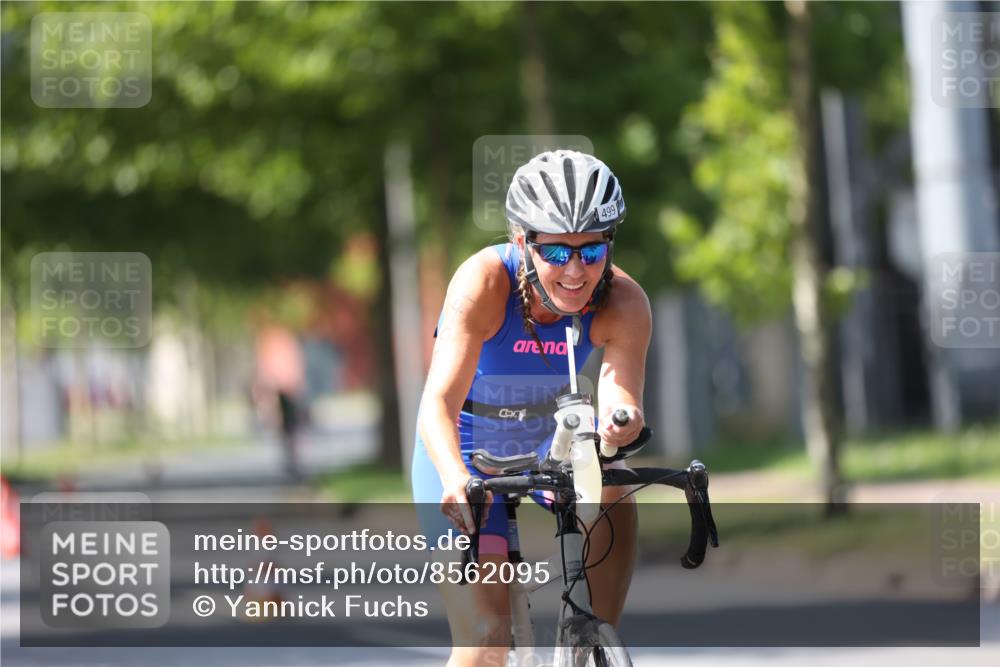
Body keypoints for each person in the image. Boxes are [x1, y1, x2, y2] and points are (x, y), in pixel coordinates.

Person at [412, 150, 651, 667]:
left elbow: (621, 399)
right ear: (522, 241)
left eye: (591, 250)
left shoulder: (624, 302)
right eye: (556, 251)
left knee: (613, 481)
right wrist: (454, 476)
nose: (575, 270)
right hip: (467, 447)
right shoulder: (483, 282)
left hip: (550, 439)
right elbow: (437, 404)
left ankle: (594, 640)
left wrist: (621, 423)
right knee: (486, 640)